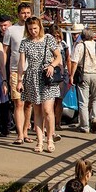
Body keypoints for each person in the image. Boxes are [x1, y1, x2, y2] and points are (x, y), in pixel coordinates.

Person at [16, 17, 62, 153]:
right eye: (30, 29)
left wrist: (52, 65)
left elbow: (58, 56)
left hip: (46, 76)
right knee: (36, 111)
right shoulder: (25, 42)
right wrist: (19, 80)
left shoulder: (48, 38)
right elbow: (21, 63)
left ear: (40, 27)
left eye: (35, 28)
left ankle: (50, 139)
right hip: (32, 77)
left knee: (48, 110)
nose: (33, 31)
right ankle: (40, 140)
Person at [5, 3, 34, 146]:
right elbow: (5, 52)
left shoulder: (34, 29)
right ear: (18, 14)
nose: (26, 15)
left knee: (29, 104)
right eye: (23, 13)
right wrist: (4, 71)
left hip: (32, 70)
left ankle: (26, 132)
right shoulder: (11, 30)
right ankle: (20, 134)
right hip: (16, 70)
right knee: (19, 103)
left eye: (28, 12)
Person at [70, 29, 96, 134]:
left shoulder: (79, 46)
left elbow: (74, 62)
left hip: (84, 74)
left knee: (84, 101)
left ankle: (85, 125)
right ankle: (95, 118)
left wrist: (71, 75)